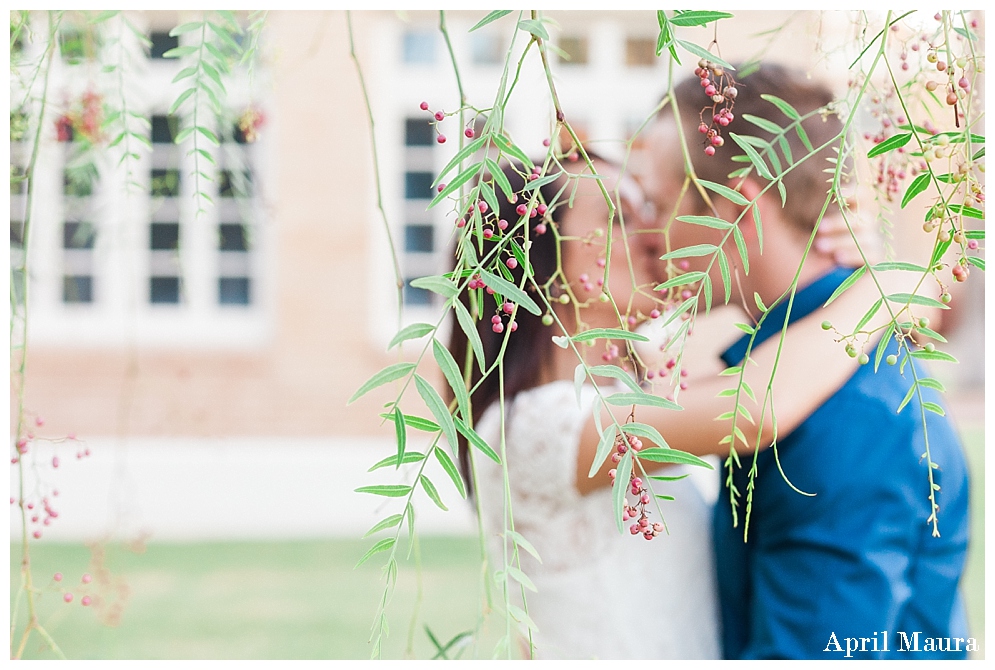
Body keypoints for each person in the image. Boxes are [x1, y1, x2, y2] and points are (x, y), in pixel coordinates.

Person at [447, 150, 877, 659]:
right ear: (541, 263)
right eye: (619, 218)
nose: (654, 237)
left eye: (650, 211)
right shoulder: (527, 429)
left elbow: (796, 372)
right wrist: (887, 285)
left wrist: (827, 263)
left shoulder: (635, 390)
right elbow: (756, 407)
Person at [636, 62, 971, 659]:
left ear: (736, 211)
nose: (647, 240)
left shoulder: (848, 409)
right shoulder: (801, 364)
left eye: (662, 206)